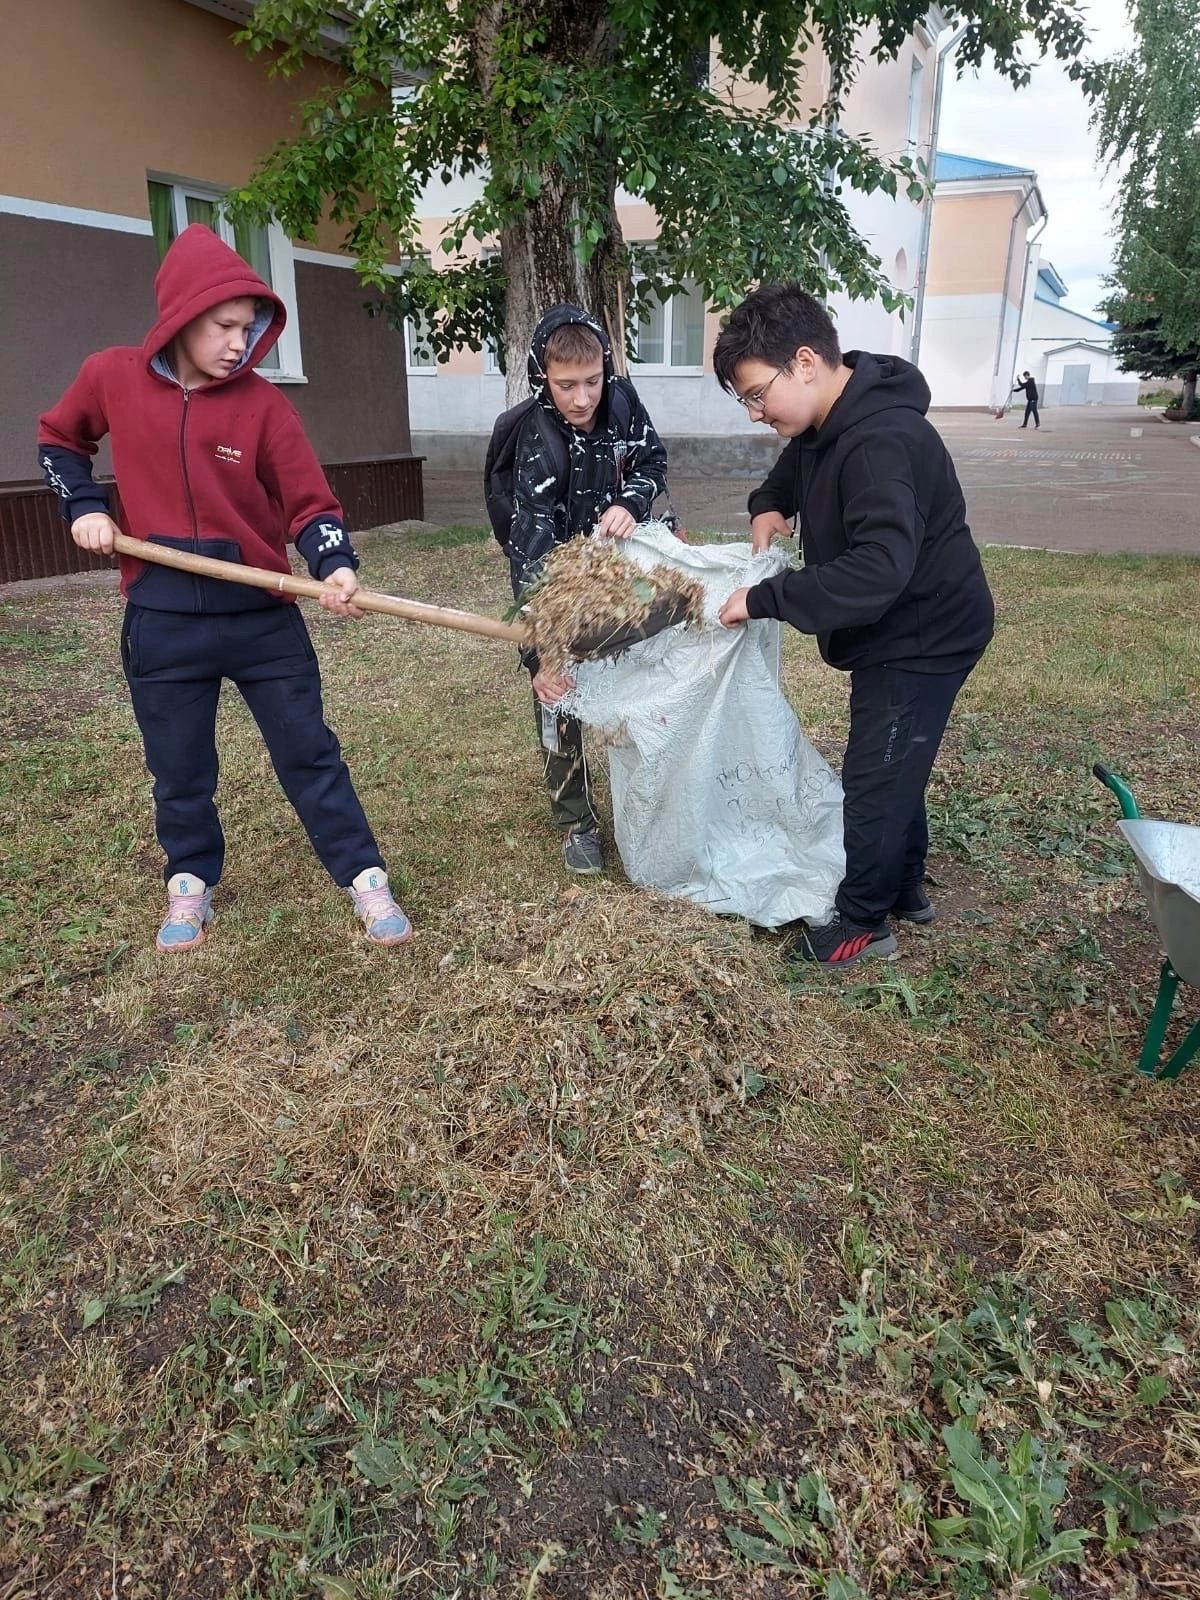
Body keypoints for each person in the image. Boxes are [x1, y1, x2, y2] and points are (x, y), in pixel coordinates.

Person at [36, 223, 413, 953]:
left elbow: (310, 503)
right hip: (162, 619)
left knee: (309, 751)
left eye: (250, 327)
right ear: (181, 314)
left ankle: (365, 877)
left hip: (261, 618)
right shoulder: (111, 376)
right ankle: (189, 884)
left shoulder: (264, 408)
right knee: (178, 765)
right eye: (225, 326)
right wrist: (83, 507)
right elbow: (59, 440)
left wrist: (334, 564)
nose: (240, 342)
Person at [714, 283, 994, 967]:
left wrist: (766, 598)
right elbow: (794, 466)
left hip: (924, 633)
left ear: (805, 362)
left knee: (875, 774)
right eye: (744, 401)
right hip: (900, 628)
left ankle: (864, 924)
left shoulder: (880, 442)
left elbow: (877, 570)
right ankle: (905, 890)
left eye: (756, 395)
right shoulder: (828, 418)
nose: (754, 414)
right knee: (897, 761)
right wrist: (768, 505)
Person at [486, 305, 668, 875]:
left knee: (647, 664)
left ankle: (649, 795)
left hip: (618, 568)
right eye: (567, 386)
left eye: (592, 382)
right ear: (543, 377)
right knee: (558, 693)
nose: (583, 398)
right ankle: (576, 821)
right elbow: (530, 561)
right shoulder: (535, 442)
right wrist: (539, 655)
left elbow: (653, 459)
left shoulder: (622, 402)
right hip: (557, 576)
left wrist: (630, 502)